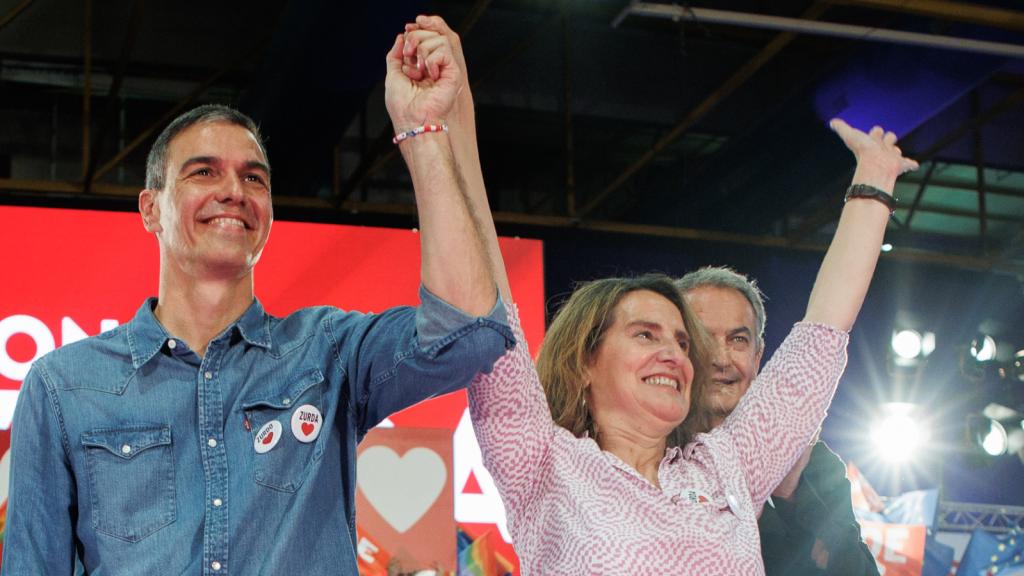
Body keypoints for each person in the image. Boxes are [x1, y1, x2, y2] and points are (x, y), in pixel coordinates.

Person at [400, 16, 917, 574]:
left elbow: (823, 332)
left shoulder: (727, 467)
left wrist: (873, 182)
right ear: (584, 363)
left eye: (678, 339)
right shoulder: (543, 465)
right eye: (645, 334)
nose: (677, 352)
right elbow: (487, 305)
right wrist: (449, 120)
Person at [1, 24, 513, 575]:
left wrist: (423, 131)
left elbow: (470, 333)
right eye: (204, 171)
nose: (234, 192)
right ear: (150, 209)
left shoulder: (326, 354)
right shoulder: (64, 386)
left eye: (254, 178)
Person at [677, 266, 879, 575]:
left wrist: (790, 495)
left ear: (757, 357)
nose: (720, 358)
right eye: (703, 338)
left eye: (738, 340)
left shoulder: (815, 464)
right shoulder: (649, 456)